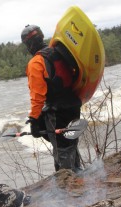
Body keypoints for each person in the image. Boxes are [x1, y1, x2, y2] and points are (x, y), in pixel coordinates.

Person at [21, 24, 82, 172]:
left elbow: (37, 96)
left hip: (57, 112)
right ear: (41, 37)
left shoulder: (36, 63)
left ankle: (69, 186)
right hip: (73, 106)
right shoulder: (59, 52)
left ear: (28, 44)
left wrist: (35, 120)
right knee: (70, 144)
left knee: (62, 150)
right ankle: (80, 179)